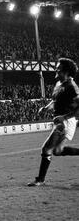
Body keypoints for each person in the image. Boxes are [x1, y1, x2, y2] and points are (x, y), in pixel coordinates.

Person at [28, 58, 79, 187]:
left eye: (59, 68)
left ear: (66, 71)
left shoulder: (72, 87)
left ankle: (40, 180)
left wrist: (64, 117)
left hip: (65, 122)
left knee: (46, 148)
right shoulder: (58, 84)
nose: (56, 70)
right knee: (57, 150)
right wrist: (46, 108)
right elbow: (55, 101)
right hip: (60, 121)